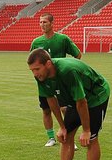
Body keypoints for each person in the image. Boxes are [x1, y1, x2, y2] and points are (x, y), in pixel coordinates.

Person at [29, 48, 111, 160]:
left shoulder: (68, 71)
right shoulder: (41, 76)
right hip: (76, 99)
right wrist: (62, 126)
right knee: (65, 137)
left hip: (95, 96)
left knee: (91, 139)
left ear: (48, 64)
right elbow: (51, 100)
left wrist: (86, 130)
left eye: (37, 69)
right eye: (32, 70)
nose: (34, 73)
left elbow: (82, 102)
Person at [30, 13, 82, 147]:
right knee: (46, 110)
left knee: (65, 109)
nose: (42, 25)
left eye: (45, 22)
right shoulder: (36, 42)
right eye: (40, 22)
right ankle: (51, 138)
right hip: (45, 83)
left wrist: (69, 71)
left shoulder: (63, 39)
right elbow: (33, 61)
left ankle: (69, 137)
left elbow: (78, 54)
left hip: (61, 82)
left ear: (52, 23)